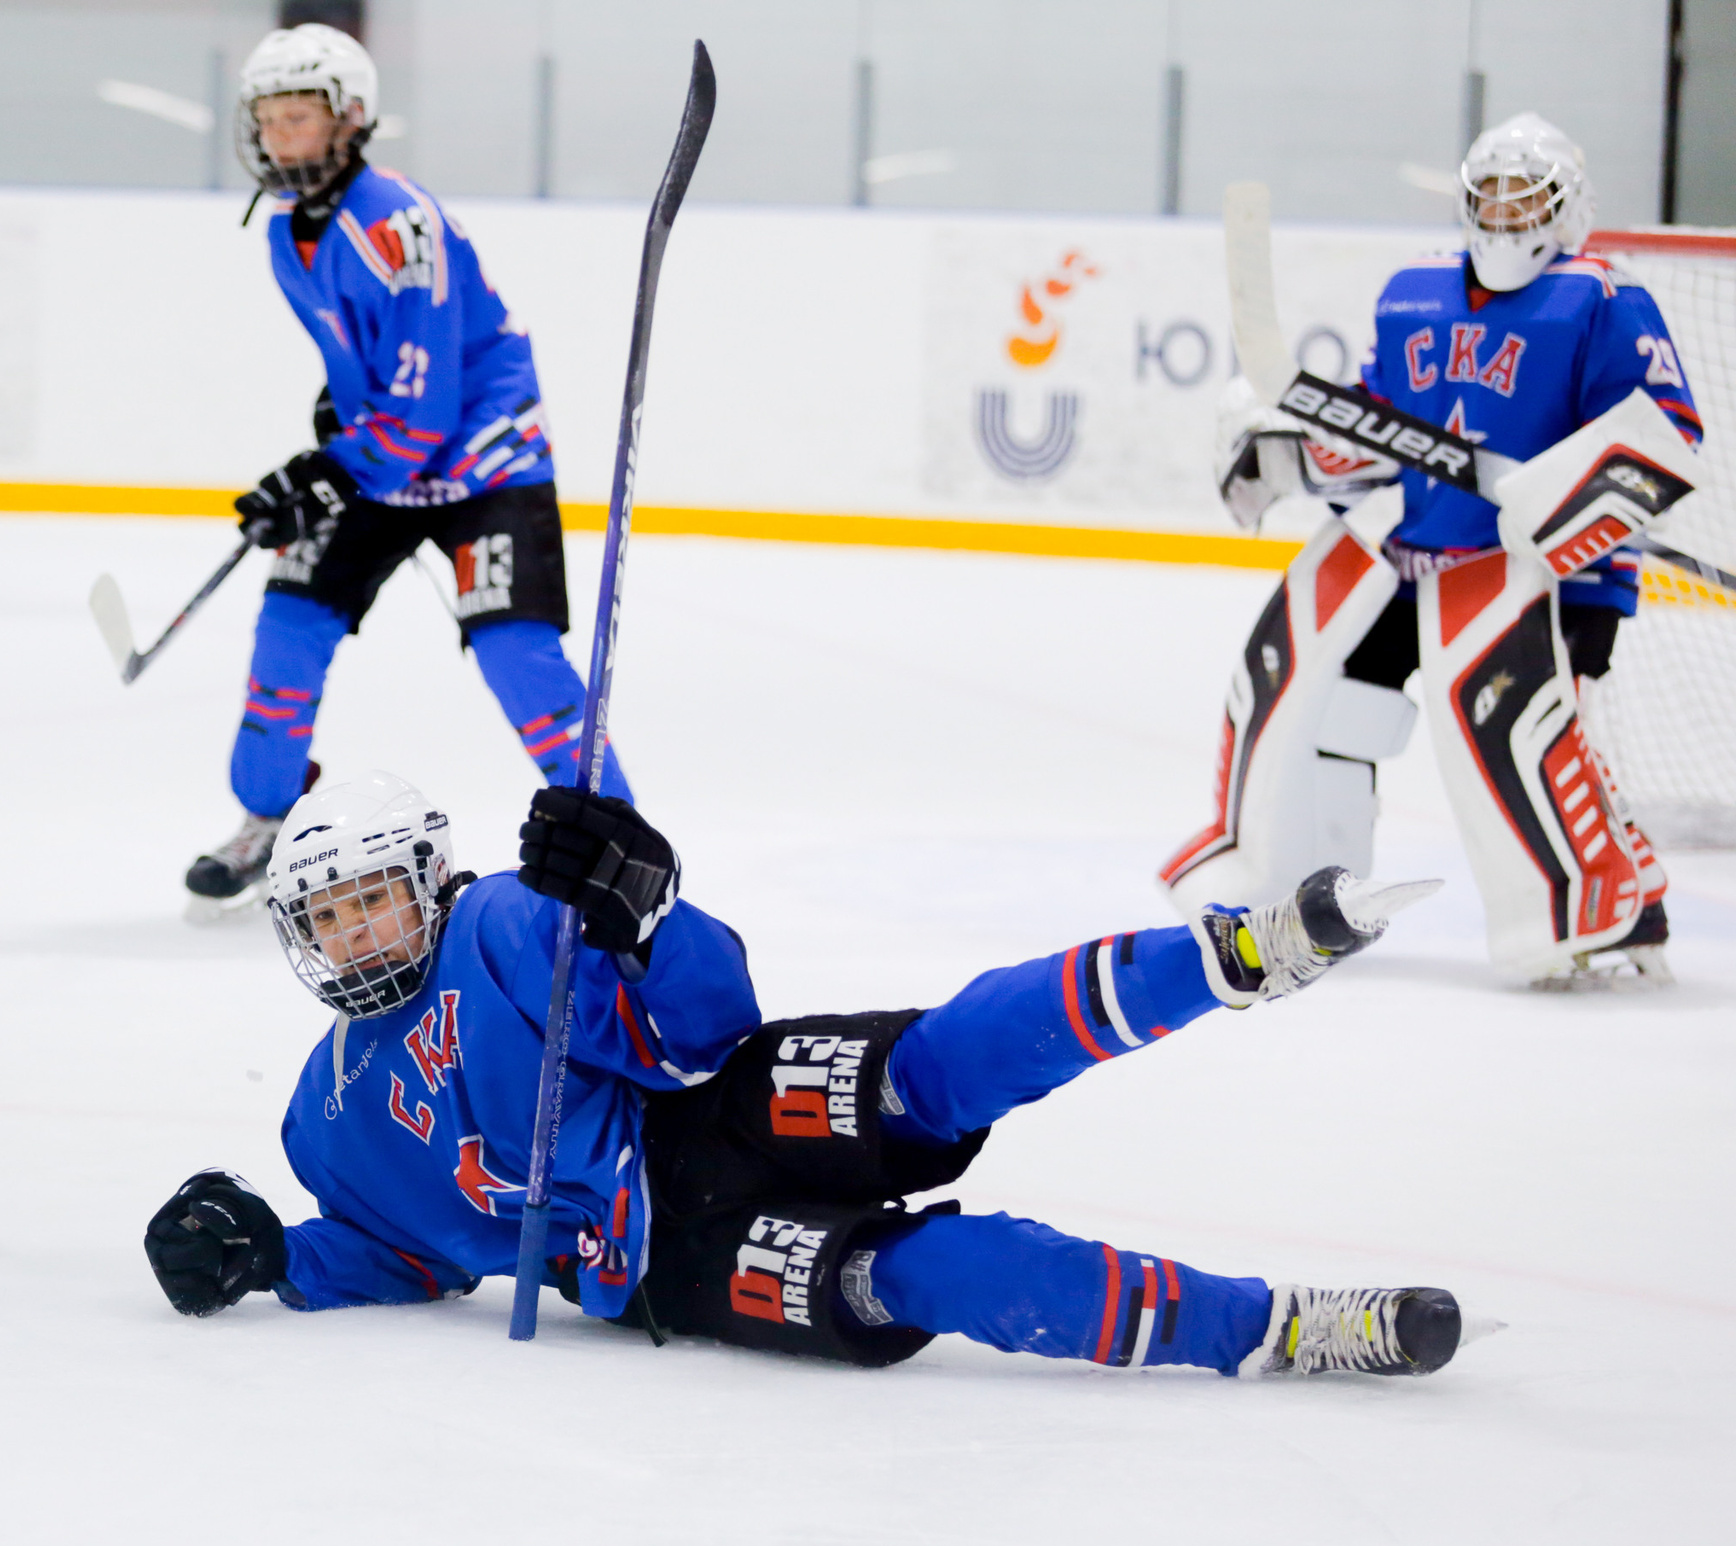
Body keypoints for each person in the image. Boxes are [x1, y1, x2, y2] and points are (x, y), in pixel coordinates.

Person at [142, 769, 1467, 1382]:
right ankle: (1275, 1326)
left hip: (701, 1107)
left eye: (373, 898)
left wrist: (644, 915)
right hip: (669, 1270)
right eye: (328, 917)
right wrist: (273, 1255)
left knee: (935, 1070)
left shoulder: (505, 920)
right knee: (927, 1276)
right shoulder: (322, 1121)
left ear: (427, 878)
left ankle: (1238, 950)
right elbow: (400, 1253)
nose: (355, 933)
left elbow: (708, 1025)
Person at [1168, 113, 1705, 988]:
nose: (1504, 209)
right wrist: (1299, 447)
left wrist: (1561, 494)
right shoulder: (1414, 291)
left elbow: (1667, 432)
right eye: (1489, 191)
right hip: (1418, 556)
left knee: (1548, 736)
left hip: (1550, 577)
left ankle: (1613, 905)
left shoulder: (1603, 299)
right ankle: (1309, 891)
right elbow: (1385, 424)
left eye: (1524, 193)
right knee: (1338, 708)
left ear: (1566, 206)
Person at [182, 24, 626, 917]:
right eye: (267, 119)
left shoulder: (398, 222)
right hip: (380, 461)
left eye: (298, 117)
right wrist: (332, 424)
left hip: (481, 463)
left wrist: (325, 472)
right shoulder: (286, 234)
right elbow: (374, 361)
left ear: (350, 121)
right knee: (289, 625)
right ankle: (265, 814)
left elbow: (425, 410)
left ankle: (616, 842)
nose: (277, 138)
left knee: (519, 657)